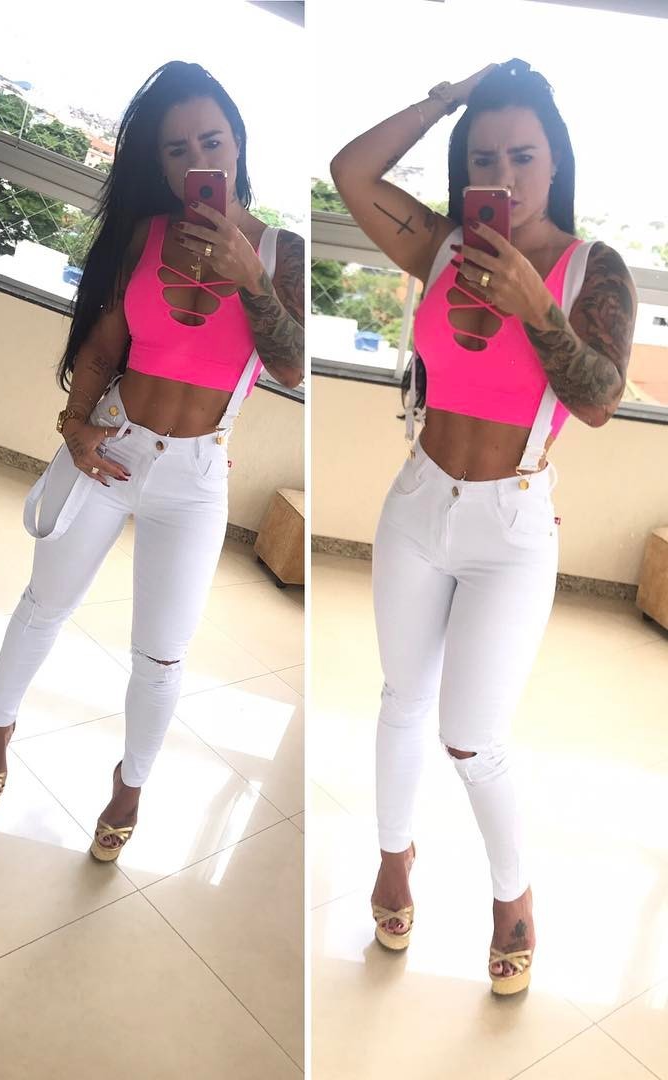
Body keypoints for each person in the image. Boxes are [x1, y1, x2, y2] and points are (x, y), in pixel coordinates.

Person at [330, 59, 636, 993]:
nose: (504, 173)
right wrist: (442, 103)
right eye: (484, 157)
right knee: (400, 700)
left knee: (471, 736)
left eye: (523, 155)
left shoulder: (592, 270)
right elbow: (350, 172)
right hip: (419, 502)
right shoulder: (441, 245)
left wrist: (535, 304)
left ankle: (513, 897)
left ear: (556, 161)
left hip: (512, 525)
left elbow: (598, 402)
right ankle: (394, 857)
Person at [0, 60, 304, 861]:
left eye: (211, 141)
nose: (197, 161)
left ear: (237, 141)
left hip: (195, 475)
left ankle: (130, 786)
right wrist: (75, 426)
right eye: (176, 150)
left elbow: (290, 366)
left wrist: (251, 278)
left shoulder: (281, 250)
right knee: (43, 604)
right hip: (112, 443)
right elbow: (101, 346)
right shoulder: (146, 236)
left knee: (161, 652)